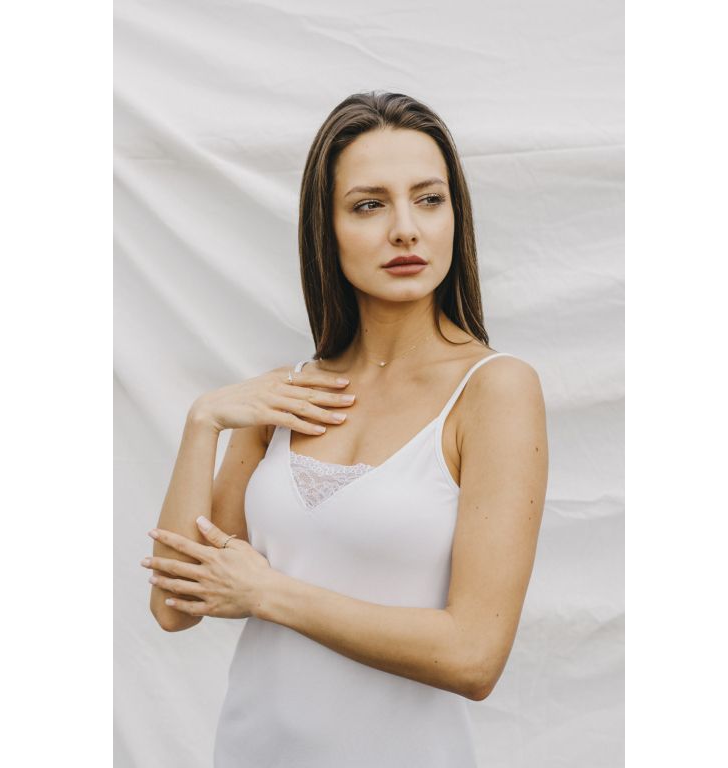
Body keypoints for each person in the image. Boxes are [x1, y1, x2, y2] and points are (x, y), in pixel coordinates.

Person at [141, 91, 548, 767]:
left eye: (429, 199)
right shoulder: (286, 396)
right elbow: (174, 608)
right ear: (325, 228)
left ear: (455, 216)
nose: (406, 230)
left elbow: (474, 656)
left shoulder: (494, 391)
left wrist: (268, 592)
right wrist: (203, 421)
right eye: (369, 205)